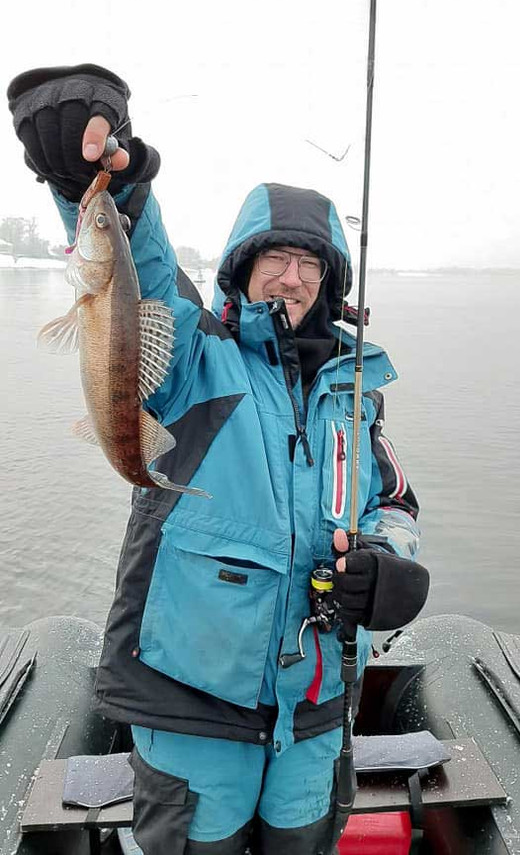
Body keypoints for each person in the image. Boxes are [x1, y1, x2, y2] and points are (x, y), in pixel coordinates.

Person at [8, 65, 429, 855]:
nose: (292, 273)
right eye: (273, 255)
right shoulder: (202, 363)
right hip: (193, 708)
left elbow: (395, 507)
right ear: (240, 265)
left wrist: (390, 564)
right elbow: (144, 280)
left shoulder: (358, 396)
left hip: (313, 709)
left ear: (332, 278)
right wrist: (93, 184)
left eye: (311, 261)